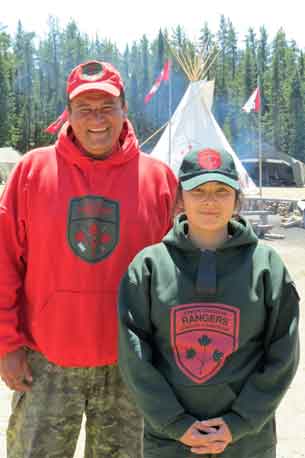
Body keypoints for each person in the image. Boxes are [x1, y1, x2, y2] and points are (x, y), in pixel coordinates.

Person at [0, 60, 177, 458]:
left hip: (130, 363)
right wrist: (6, 344)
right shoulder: (32, 171)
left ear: (124, 110)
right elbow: (4, 261)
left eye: (106, 107)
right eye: (85, 109)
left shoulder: (159, 180)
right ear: (69, 114)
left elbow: (174, 275)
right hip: (45, 362)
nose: (96, 119)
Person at [118, 147, 300, 458]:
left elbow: (282, 355)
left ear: (236, 198)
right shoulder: (149, 267)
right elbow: (135, 358)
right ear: (180, 199)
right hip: (171, 442)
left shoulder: (265, 266)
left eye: (221, 191)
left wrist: (238, 422)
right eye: (198, 190)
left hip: (245, 442)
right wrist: (176, 423)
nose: (210, 201)